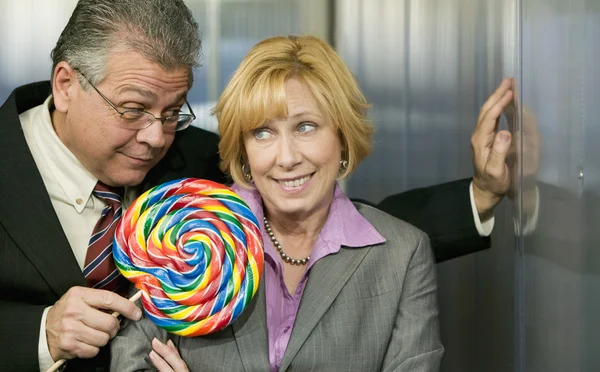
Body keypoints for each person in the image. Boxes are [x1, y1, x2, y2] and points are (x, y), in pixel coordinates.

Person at [0, 1, 512, 371]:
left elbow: (330, 224)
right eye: (132, 109)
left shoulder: (197, 164)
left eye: (173, 112)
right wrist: (40, 334)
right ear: (65, 84)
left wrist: (480, 196)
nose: (155, 136)